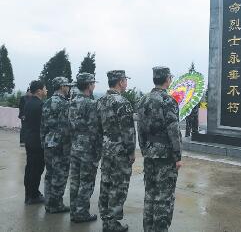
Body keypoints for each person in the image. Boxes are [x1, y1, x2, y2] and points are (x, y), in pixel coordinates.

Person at [137, 66, 182, 232]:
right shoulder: (168, 101)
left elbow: (140, 129)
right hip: (165, 156)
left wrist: (144, 148)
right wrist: (177, 156)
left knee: (150, 193)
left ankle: (148, 228)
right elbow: (173, 131)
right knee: (164, 196)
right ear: (167, 79)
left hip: (149, 153)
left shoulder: (143, 100)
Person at [97, 70, 135, 232]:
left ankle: (106, 220)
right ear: (120, 82)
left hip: (106, 149)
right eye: (125, 80)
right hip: (120, 151)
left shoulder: (100, 101)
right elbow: (128, 132)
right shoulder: (122, 103)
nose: (126, 83)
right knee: (118, 187)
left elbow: (97, 128)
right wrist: (131, 151)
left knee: (106, 183)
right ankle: (112, 224)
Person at [68, 73, 102, 223]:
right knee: (86, 182)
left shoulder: (72, 101)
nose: (94, 85)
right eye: (93, 83)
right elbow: (96, 128)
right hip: (88, 148)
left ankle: (74, 211)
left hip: (75, 145)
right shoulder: (91, 104)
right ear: (89, 85)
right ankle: (82, 213)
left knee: (75, 181)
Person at [41, 77, 74, 213]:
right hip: (60, 145)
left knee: (50, 174)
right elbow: (66, 128)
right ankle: (56, 205)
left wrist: (43, 141)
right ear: (62, 87)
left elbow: (42, 126)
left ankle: (49, 202)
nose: (69, 88)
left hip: (48, 142)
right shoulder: (64, 104)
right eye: (67, 86)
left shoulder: (47, 102)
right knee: (60, 175)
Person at [23, 80, 47, 204]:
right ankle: (34, 195)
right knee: (36, 169)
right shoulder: (40, 105)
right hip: (38, 141)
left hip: (29, 138)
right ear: (39, 90)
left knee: (30, 168)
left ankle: (28, 194)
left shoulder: (28, 102)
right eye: (44, 88)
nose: (46, 90)